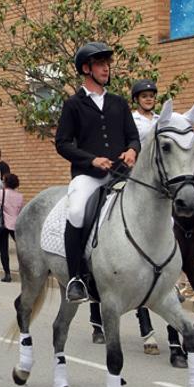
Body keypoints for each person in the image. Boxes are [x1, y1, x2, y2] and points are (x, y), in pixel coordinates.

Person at [55, 42, 140, 303]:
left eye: (107, 64)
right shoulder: (73, 104)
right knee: (77, 210)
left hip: (120, 174)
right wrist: (91, 160)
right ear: (86, 68)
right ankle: (76, 278)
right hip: (88, 176)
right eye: (101, 64)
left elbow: (133, 137)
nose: (106, 68)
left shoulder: (118, 103)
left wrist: (132, 151)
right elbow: (63, 143)